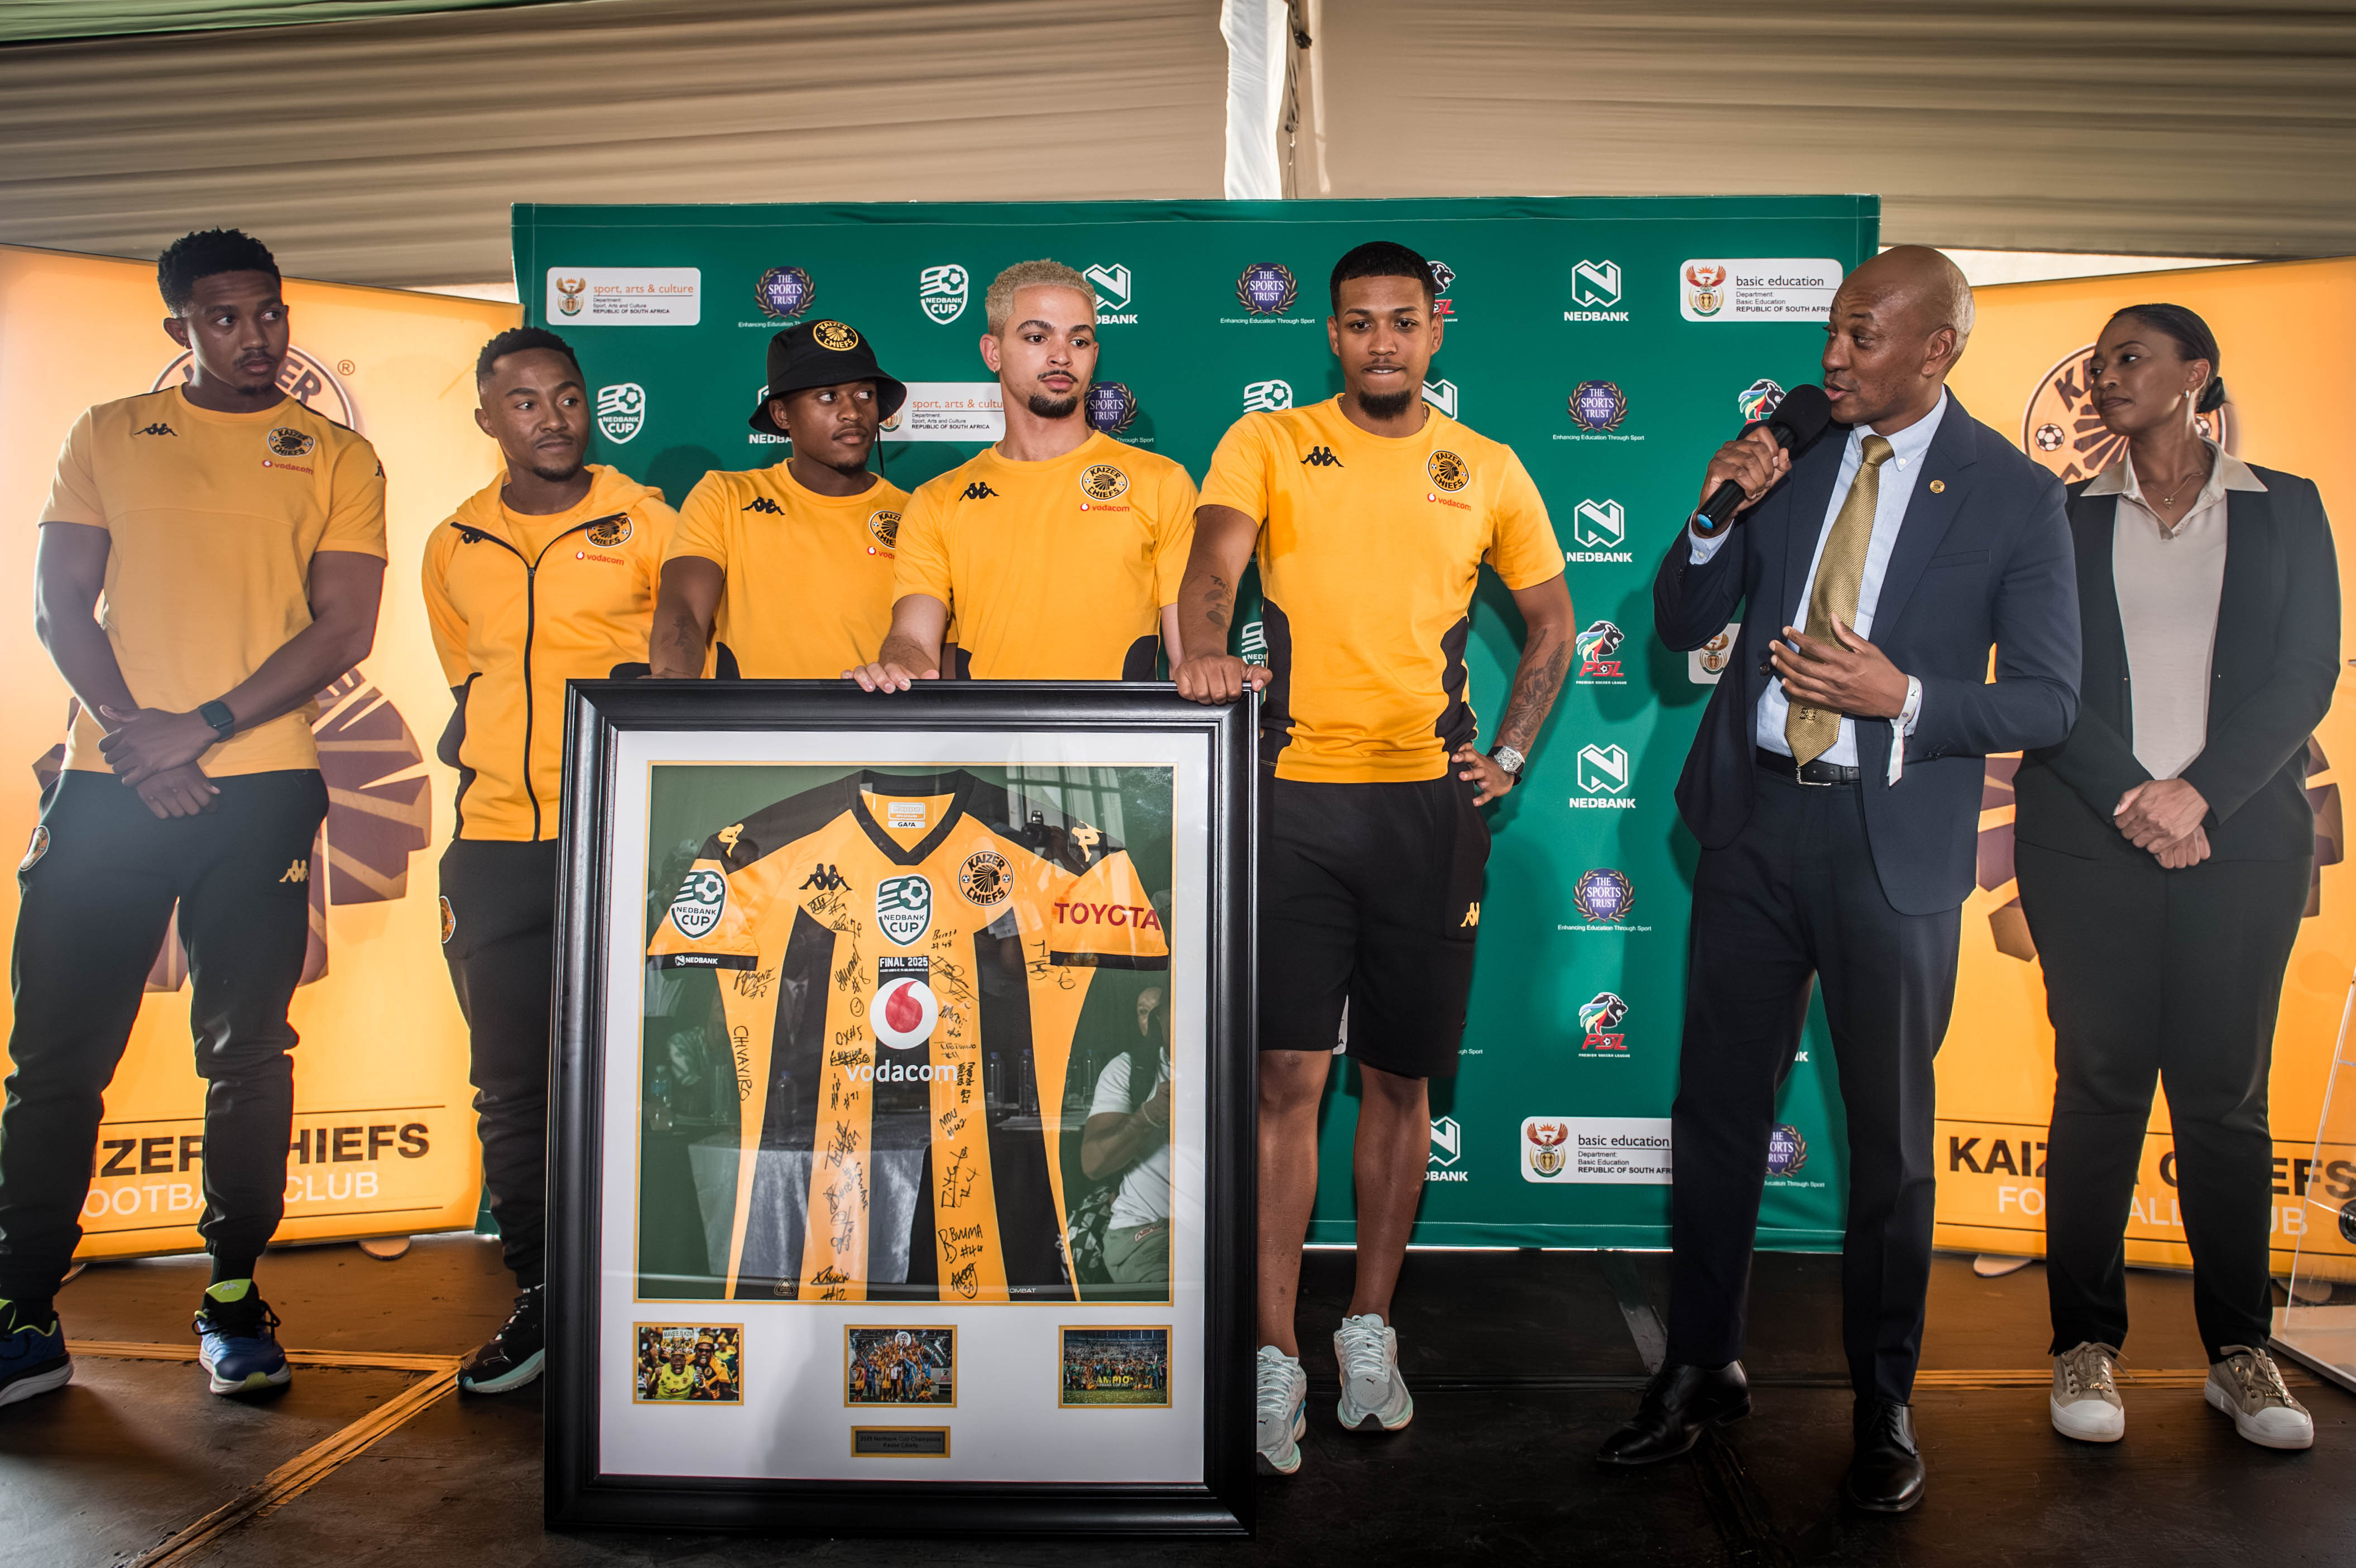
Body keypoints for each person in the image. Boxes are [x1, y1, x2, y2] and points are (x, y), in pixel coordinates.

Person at [1601, 246, 2080, 1512]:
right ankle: (1702, 1365)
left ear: (1937, 349)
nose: (1831, 357)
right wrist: (1717, 507)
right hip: (1753, 826)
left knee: (1891, 1145)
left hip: (1892, 843)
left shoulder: (2015, 496)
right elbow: (1679, 617)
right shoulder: (1797, 450)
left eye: (1862, 336)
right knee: (1716, 1113)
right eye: (1830, 330)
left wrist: (1904, 695)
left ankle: (1883, 1403)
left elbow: (2050, 698)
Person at [1174, 239, 1576, 1476]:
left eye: (1403, 320)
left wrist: (1510, 751)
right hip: (1291, 801)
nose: (1382, 341)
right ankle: (1270, 1352)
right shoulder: (1269, 442)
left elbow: (1552, 624)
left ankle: (1367, 1330)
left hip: (1426, 814)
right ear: (1332, 335)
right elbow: (1210, 569)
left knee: (1401, 1083)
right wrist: (1202, 646)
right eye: (1359, 323)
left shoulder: (1487, 466)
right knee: (1284, 1080)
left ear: (1434, 329)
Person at [0, 229, 386, 1410]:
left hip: (258, 788)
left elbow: (344, 626)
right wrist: (135, 736)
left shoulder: (336, 452)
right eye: (224, 318)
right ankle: (22, 1308)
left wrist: (202, 726)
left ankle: (232, 1297)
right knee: (56, 1060)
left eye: (269, 313)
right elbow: (60, 602)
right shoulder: (108, 433)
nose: (255, 336)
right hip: (111, 785)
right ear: (180, 329)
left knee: (246, 1053)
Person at [2014, 305, 2335, 1451]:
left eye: (2131, 357)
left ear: (2196, 373)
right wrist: (2138, 798)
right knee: (2097, 1084)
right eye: (2099, 361)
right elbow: (2042, 678)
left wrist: (2197, 795)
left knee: (2223, 1097)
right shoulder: (2057, 514)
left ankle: (2239, 1353)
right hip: (2083, 837)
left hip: (2238, 842)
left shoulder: (2286, 505)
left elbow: (2305, 673)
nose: (2105, 376)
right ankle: (2083, 1343)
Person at [423, 326, 679, 1394]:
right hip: (493, 846)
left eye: (566, 395)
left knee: (645, 1078)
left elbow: (688, 664)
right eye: (524, 401)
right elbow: (468, 689)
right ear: (488, 418)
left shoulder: (649, 520)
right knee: (511, 1088)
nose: (552, 416)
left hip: (617, 836)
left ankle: (644, 1292)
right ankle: (540, 1294)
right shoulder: (453, 542)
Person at [848, 260, 1196, 690]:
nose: (1061, 356)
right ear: (992, 353)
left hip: (1117, 732)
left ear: (1094, 356)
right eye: (1036, 337)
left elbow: (1189, 657)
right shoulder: (937, 500)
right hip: (991, 733)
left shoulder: (1160, 482)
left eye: (1079, 340)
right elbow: (913, 639)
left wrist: (1213, 668)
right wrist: (898, 668)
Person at [650, 319, 910, 679]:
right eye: (828, 396)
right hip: (751, 716)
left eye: (865, 394)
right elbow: (686, 609)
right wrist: (673, 683)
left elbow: (934, 644)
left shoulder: (914, 513)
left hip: (875, 715)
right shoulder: (725, 497)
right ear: (782, 414)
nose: (853, 412)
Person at [1080, 988, 1174, 1286]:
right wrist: (1147, 1116)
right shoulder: (1130, 1069)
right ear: (1161, 1019)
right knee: (1170, 1294)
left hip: (1218, 1231)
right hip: (1151, 1232)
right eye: (1145, 1013)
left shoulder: (1229, 1063)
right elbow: (1093, 1165)